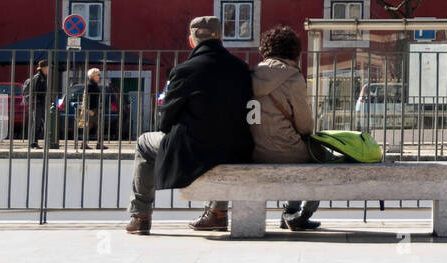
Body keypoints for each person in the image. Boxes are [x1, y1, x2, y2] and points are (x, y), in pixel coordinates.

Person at [125, 16, 253, 235]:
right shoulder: (241, 69)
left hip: (195, 151)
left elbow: (165, 121)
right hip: (237, 148)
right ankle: (218, 214)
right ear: (220, 38)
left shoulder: (185, 70)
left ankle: (140, 215)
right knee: (222, 141)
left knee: (144, 143)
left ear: (191, 41)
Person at [251, 25, 320, 231]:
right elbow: (304, 124)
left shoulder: (251, 74)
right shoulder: (293, 78)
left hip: (253, 151)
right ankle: (295, 213)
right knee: (317, 159)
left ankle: (290, 212)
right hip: (286, 151)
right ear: (294, 51)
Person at [23, 60, 49, 149]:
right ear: (43, 68)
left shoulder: (44, 77)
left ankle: (34, 142)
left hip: (40, 103)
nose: (48, 69)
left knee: (39, 124)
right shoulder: (38, 78)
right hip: (37, 104)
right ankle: (33, 142)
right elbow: (35, 92)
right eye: (47, 67)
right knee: (37, 123)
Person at [81, 68, 106, 150]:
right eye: (98, 75)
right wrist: (88, 109)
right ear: (93, 76)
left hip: (95, 109)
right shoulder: (89, 85)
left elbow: (97, 98)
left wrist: (100, 108)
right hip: (92, 109)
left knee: (96, 126)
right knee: (91, 126)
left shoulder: (94, 84)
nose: (99, 76)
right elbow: (86, 98)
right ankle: (95, 144)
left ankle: (96, 143)